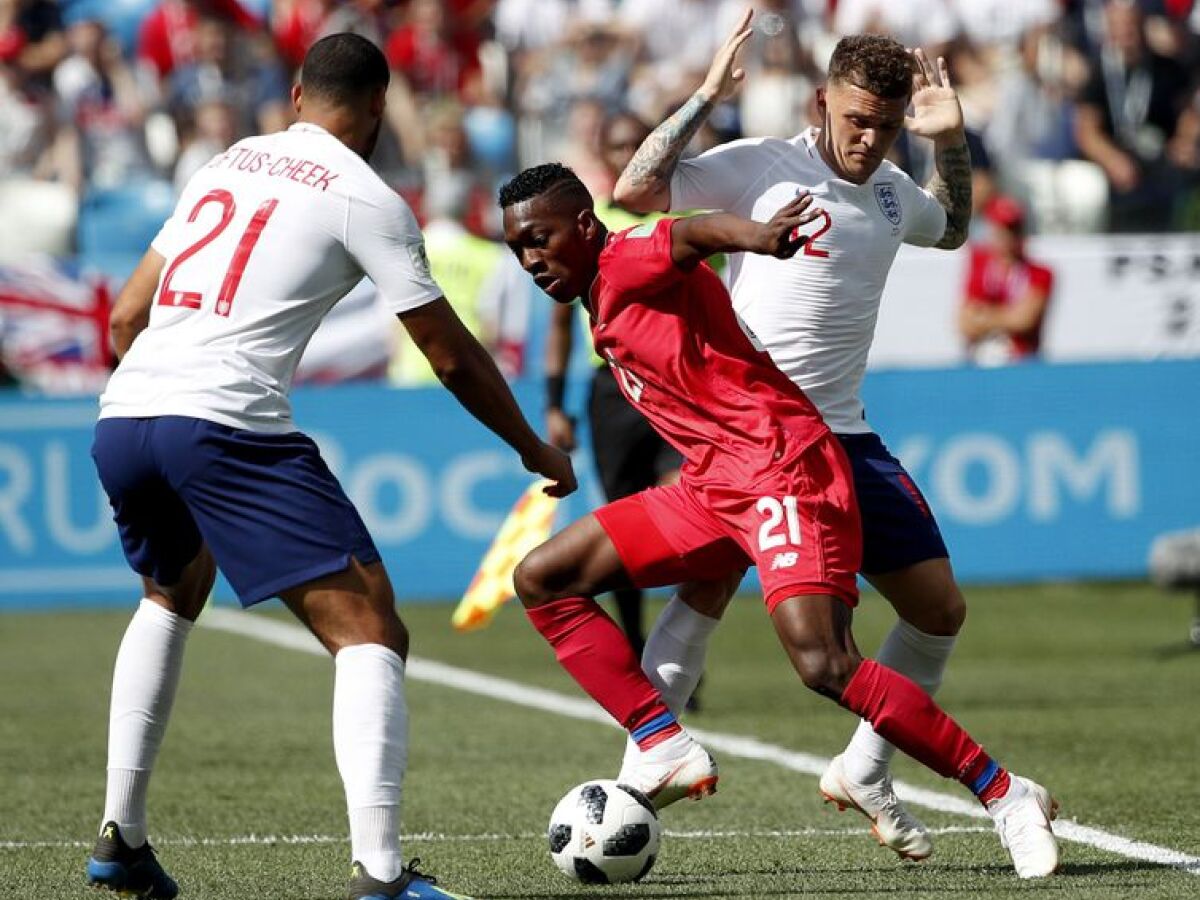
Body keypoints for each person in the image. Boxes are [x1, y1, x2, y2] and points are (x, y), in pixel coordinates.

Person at [86, 33, 573, 900]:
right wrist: (532, 446)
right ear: (380, 108)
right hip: (224, 422)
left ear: (300, 94)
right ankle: (381, 875)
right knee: (372, 630)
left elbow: (128, 315)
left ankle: (121, 839)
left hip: (127, 413)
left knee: (169, 593)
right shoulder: (369, 196)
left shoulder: (228, 159)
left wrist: (157, 399)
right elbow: (450, 354)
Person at [501, 161, 1059, 880]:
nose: (529, 259)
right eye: (517, 248)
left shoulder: (626, 257)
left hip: (780, 468)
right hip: (712, 484)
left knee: (824, 662)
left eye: (539, 239)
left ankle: (1006, 794)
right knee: (544, 579)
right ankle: (658, 738)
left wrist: (758, 238)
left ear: (582, 225)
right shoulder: (599, 295)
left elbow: (689, 234)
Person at [610, 14, 975, 862]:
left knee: (939, 612)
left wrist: (949, 144)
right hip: (751, 435)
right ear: (822, 103)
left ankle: (866, 769)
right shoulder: (763, 165)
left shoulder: (890, 188)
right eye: (856, 119)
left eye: (885, 125)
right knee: (704, 592)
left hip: (843, 438)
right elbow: (633, 191)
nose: (870, 138)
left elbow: (949, 228)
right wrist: (706, 94)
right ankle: (631, 787)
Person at [543, 109, 684, 663]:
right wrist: (555, 405)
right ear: (604, 158)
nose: (629, 156)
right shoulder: (585, 224)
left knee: (681, 505)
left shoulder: (688, 217)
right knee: (627, 521)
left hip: (678, 385)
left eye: (637, 145)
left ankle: (679, 648)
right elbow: (559, 321)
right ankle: (638, 641)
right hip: (613, 388)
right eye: (618, 147)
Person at [959, 195, 1054, 365]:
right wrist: (1008, 315)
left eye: (1013, 230)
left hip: (1022, 362)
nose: (1007, 237)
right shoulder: (979, 264)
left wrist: (984, 316)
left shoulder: (1040, 273)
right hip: (979, 362)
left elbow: (1025, 320)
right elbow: (964, 322)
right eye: (1001, 229)